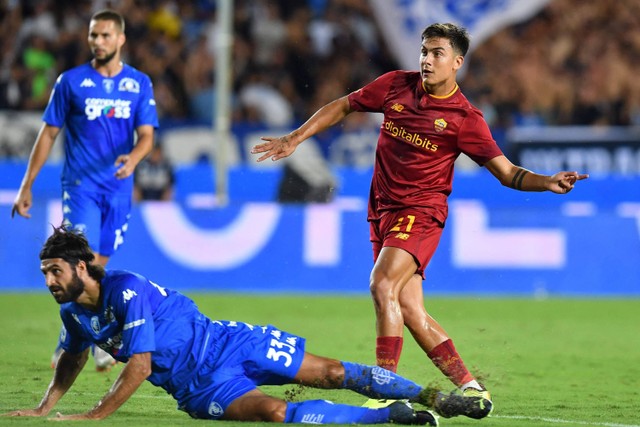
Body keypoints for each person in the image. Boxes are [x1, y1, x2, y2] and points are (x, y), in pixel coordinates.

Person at [251, 22, 589, 410]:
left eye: (437, 54)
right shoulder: (396, 85)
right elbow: (344, 104)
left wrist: (546, 181)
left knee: (381, 285)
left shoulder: (465, 119)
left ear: (457, 62)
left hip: (421, 211)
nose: (427, 60)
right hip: (381, 208)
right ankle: (473, 387)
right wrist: (295, 136)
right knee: (410, 309)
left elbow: (508, 173)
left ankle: (383, 391)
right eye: (424, 52)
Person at [2, 226, 493, 424]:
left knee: (331, 373)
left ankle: (435, 397)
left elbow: (140, 363)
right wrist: (46, 406)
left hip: (230, 341)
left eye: (55, 271)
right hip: (199, 386)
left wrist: (93, 417)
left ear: (82, 267)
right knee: (278, 414)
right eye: (44, 272)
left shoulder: (123, 288)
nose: (48, 280)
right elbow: (72, 356)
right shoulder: (73, 313)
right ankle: (393, 418)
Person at [10, 9, 159, 371]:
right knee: (81, 261)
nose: (98, 41)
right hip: (81, 186)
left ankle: (88, 338)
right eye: (94, 35)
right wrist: (26, 184)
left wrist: (134, 159)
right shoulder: (71, 82)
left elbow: (147, 136)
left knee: (98, 265)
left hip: (119, 189)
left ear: (121, 39)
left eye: (106, 35)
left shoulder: (138, 83)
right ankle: (81, 342)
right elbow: (48, 133)